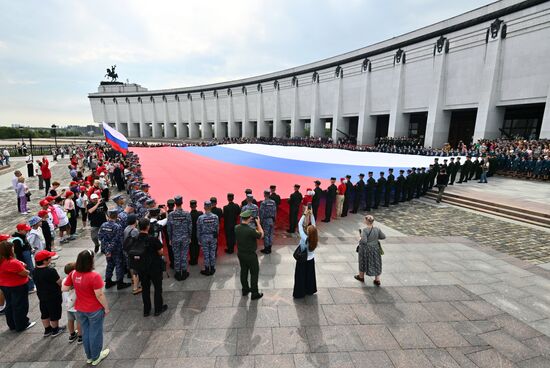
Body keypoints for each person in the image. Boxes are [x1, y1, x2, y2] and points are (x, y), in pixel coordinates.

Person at [62, 250, 110, 365]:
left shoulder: (73, 273)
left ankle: (89, 356)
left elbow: (64, 288)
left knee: (86, 332)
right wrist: (106, 308)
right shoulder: (94, 276)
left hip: (80, 309)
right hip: (94, 309)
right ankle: (96, 356)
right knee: (96, 332)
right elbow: (99, 294)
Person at [132, 218, 167, 317]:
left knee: (145, 289)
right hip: (154, 267)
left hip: (141, 267)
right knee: (157, 288)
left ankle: (146, 310)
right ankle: (158, 309)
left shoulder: (135, 238)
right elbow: (160, 252)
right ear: (148, 227)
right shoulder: (152, 239)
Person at [0, 240, 35, 332]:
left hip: (4, 285)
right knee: (20, 305)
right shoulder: (12, 262)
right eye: (12, 248)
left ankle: (12, 324)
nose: (13, 249)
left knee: (10, 305)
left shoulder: (2, 260)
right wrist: (23, 267)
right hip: (17, 286)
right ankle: (22, 324)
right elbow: (25, 273)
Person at [33, 250, 65, 337]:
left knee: (44, 312)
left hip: (41, 295)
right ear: (45, 261)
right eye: (49, 258)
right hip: (53, 295)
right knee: (54, 312)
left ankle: (47, 330)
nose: (51, 259)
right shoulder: (51, 271)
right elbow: (59, 282)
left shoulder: (34, 271)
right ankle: (55, 330)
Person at [235, 210, 264, 300]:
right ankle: (254, 293)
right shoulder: (250, 230)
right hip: (250, 256)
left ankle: (245, 289)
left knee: (243, 271)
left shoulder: (236, 227)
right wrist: (258, 224)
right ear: (250, 218)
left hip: (241, 254)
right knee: (254, 273)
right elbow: (261, 235)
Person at [98, 209, 130, 290]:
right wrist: (110, 249)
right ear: (117, 216)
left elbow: (100, 237)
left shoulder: (103, 225)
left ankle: (108, 281)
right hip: (116, 250)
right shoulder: (117, 226)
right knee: (119, 266)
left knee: (110, 264)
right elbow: (117, 240)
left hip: (107, 249)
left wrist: (107, 248)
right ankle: (120, 283)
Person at [293, 209, 318, 299]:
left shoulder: (305, 238)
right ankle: (309, 290)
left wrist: (304, 214)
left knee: (300, 276)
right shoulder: (315, 237)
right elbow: (314, 225)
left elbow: (299, 225)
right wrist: (312, 214)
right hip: (311, 259)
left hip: (302, 259)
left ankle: (300, 292)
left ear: (308, 232)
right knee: (310, 276)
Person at [354, 215, 386, 286]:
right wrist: (375, 238)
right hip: (375, 249)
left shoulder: (364, 230)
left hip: (365, 250)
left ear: (366, 221)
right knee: (376, 262)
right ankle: (377, 280)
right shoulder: (377, 229)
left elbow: (364, 241)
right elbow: (383, 236)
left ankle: (361, 277)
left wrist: (359, 238)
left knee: (363, 262)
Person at [167, 195, 192, 281]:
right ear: (182, 203)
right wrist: (189, 236)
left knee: (176, 255)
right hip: (185, 238)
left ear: (175, 203)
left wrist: (170, 238)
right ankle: (184, 272)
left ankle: (178, 273)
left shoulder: (171, 215)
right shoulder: (187, 214)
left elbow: (169, 228)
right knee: (184, 255)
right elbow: (190, 227)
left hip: (175, 238)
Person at [11, 223, 36, 293]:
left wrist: (31, 249)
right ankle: (30, 287)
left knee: (31, 269)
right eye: (25, 230)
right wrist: (22, 262)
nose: (27, 232)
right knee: (29, 271)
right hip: (24, 257)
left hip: (27, 254)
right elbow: (18, 253)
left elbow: (27, 243)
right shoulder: (17, 240)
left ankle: (32, 284)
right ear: (20, 230)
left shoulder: (22, 235)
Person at [62, 262, 82, 344]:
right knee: (79, 321)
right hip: (76, 305)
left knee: (70, 320)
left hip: (68, 305)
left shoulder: (64, 280)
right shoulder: (76, 281)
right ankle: (81, 337)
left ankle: (72, 334)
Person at [197, 201, 219, 276]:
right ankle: (212, 268)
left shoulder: (200, 218)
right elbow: (217, 228)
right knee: (212, 253)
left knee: (206, 254)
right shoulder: (215, 217)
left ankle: (207, 269)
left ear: (204, 207)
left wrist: (199, 239)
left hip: (204, 237)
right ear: (211, 207)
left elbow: (198, 230)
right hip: (213, 237)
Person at [123, 214, 141, 295]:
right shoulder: (135, 231)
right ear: (135, 221)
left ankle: (133, 281)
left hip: (127, 252)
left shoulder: (126, 228)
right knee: (136, 270)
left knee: (131, 267)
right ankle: (135, 288)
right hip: (133, 252)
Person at [259, 190, 277, 254]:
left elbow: (261, 213)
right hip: (271, 220)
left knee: (266, 235)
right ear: (269, 195)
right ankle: (269, 247)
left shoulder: (263, 203)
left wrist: (260, 222)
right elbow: (275, 211)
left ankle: (266, 248)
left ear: (264, 195)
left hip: (265, 220)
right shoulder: (273, 202)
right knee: (270, 234)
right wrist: (274, 219)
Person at [189, 200, 203, 265]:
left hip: (191, 233)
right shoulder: (200, 214)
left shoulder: (188, 215)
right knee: (197, 246)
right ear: (196, 205)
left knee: (191, 247)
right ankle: (196, 259)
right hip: (198, 232)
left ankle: (192, 260)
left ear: (190, 206)